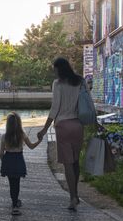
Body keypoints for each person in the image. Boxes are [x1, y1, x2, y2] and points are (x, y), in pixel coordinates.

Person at [35, 57, 85, 210]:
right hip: (78, 125)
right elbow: (87, 102)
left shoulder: (58, 84)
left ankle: (72, 198)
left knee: (67, 164)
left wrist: (44, 129)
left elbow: (55, 108)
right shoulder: (80, 81)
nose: (54, 72)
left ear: (59, 69)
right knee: (75, 161)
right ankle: (76, 194)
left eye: (54, 69)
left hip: (63, 126)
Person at [0, 112, 40, 215]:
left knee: (11, 183)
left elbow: (1, 153)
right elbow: (31, 146)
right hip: (18, 159)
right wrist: (39, 140)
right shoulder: (22, 134)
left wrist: (4, 162)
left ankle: (14, 202)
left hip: (8, 159)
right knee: (16, 184)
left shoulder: (4, 136)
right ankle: (15, 205)